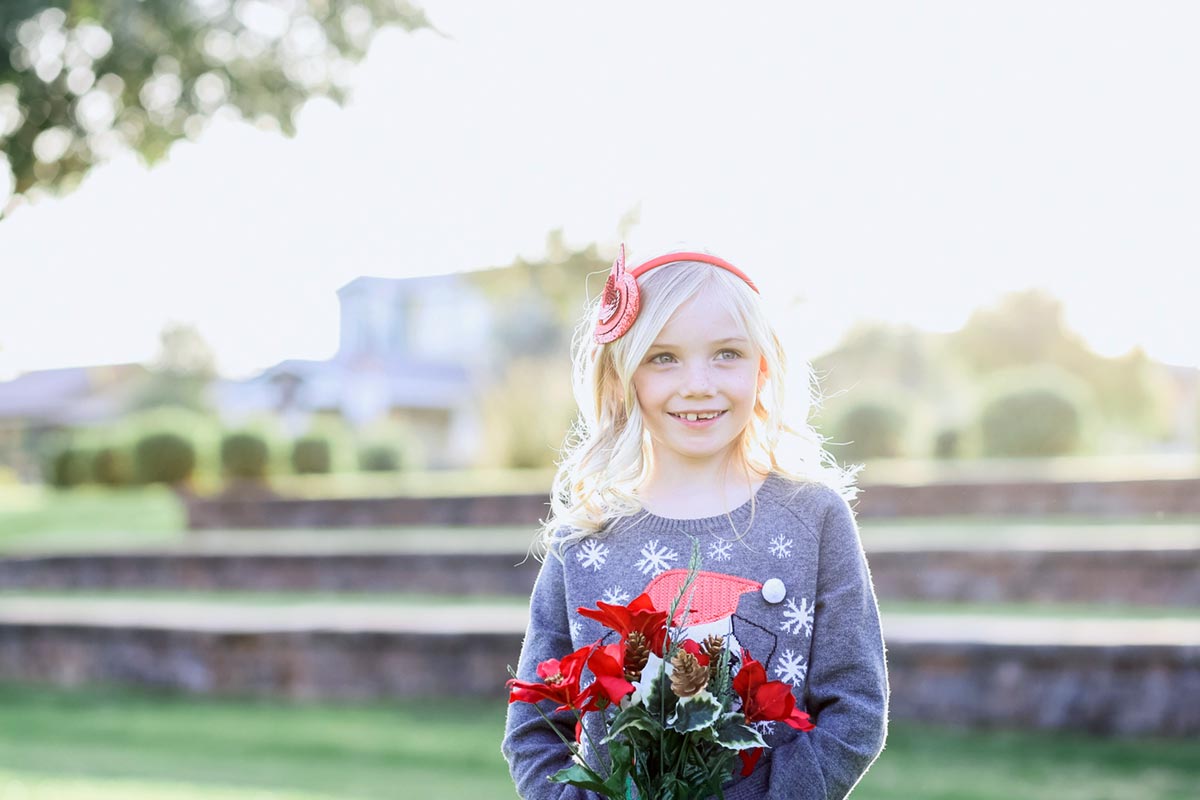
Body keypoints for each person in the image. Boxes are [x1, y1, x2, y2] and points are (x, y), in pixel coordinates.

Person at [501, 244, 889, 799]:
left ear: (763, 366)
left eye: (727, 353)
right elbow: (534, 725)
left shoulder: (814, 518)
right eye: (664, 358)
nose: (698, 383)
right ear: (622, 377)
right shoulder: (585, 537)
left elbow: (855, 710)